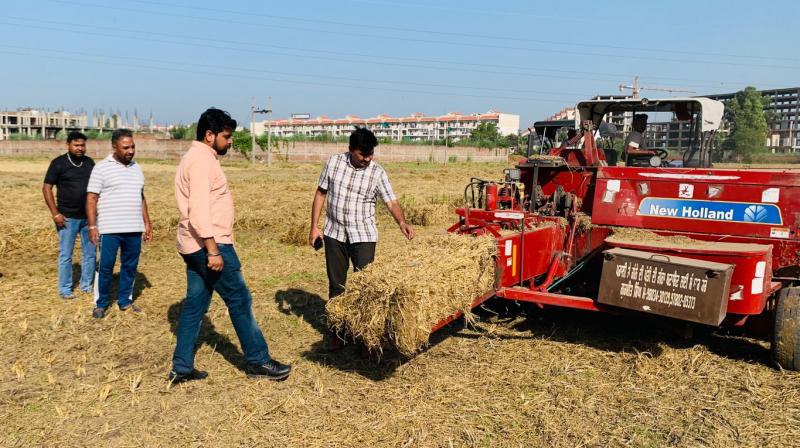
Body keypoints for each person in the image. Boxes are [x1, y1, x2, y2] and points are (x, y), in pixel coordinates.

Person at [169, 108, 291, 383]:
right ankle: (258, 361)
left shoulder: (196, 157)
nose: (231, 141)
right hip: (210, 245)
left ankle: (182, 366)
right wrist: (213, 250)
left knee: (194, 305)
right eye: (227, 136)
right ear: (209, 135)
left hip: (194, 243)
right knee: (239, 299)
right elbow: (199, 210)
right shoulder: (201, 161)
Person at [309, 127, 415, 347]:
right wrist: (314, 227)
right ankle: (337, 332)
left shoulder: (377, 172)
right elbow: (321, 193)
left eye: (370, 154)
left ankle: (365, 336)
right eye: (362, 154)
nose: (367, 159)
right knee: (336, 285)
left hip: (363, 235)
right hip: (334, 233)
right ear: (350, 149)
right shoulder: (334, 163)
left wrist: (401, 222)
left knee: (365, 286)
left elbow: (391, 201)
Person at [86, 129, 152, 318]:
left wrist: (147, 222)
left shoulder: (136, 168)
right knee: (105, 266)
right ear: (114, 147)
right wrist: (92, 226)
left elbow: (141, 196)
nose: (130, 151)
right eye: (126, 147)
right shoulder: (101, 167)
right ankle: (100, 303)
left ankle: (125, 301)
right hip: (109, 229)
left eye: (132, 146)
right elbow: (91, 198)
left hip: (133, 228)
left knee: (130, 266)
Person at [43, 131, 96, 299]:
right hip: (67, 218)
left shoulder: (89, 163)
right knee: (66, 255)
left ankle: (86, 285)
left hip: (89, 218)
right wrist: (55, 213)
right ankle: (65, 289)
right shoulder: (58, 163)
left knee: (91, 253)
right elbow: (46, 188)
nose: (80, 148)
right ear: (68, 145)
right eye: (76, 145)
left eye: (82, 145)